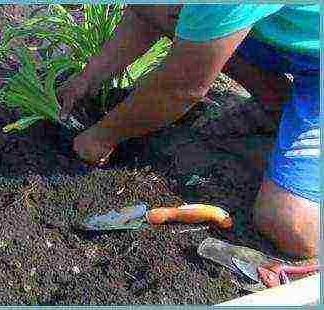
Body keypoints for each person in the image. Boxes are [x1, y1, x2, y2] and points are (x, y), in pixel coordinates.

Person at [57, 5, 319, 258]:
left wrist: (101, 138)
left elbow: (182, 89)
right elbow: (148, 11)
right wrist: (89, 77)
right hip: (296, 37)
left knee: (292, 226)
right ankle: (280, 106)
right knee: (177, 14)